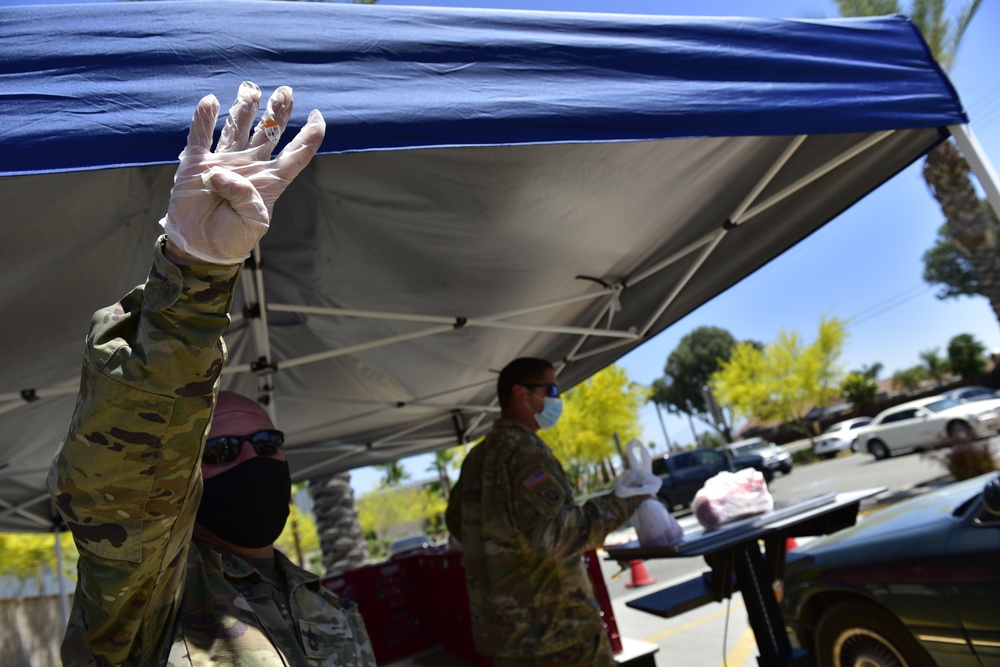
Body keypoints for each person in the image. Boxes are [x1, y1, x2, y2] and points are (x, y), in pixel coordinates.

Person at [48, 81, 376, 666]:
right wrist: (196, 273)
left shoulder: (333, 609)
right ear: (185, 473)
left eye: (266, 442)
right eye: (222, 449)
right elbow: (122, 477)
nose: (253, 458)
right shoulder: (145, 598)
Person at [445, 357, 648, 667]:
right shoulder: (526, 453)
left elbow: (458, 523)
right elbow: (557, 536)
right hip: (557, 632)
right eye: (550, 389)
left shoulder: (477, 458)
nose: (557, 399)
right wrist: (624, 501)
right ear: (521, 394)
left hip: (505, 637)